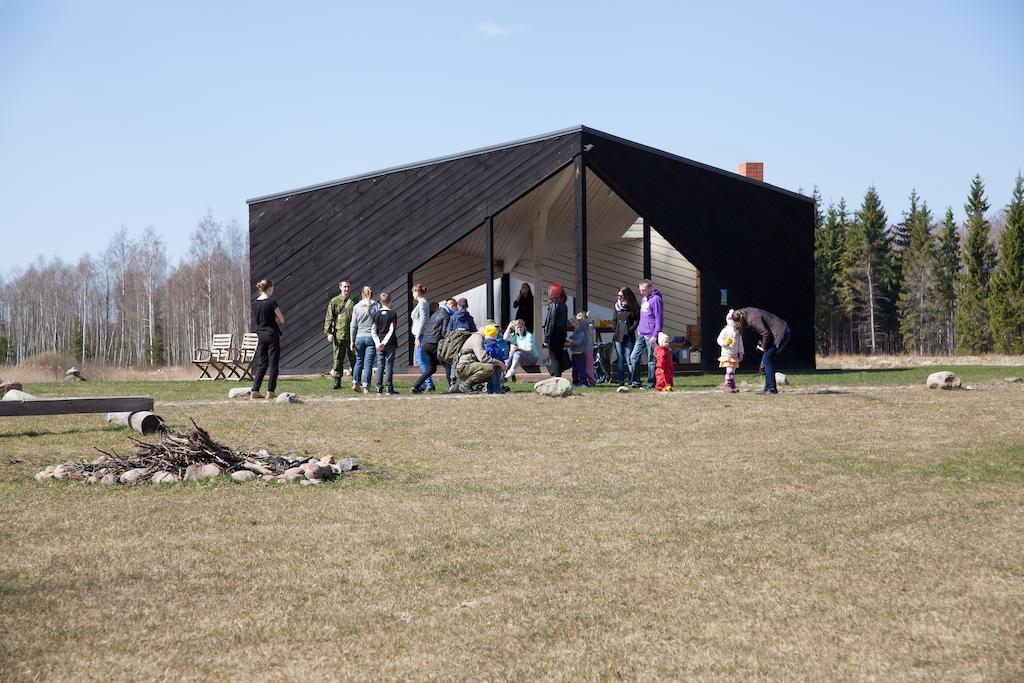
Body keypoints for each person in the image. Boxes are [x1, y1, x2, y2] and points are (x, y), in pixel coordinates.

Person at [736, 307, 790, 395]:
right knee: (767, 359)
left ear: (739, 320)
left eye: (737, 323)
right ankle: (769, 388)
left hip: (780, 333)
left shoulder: (751, 319)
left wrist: (764, 347)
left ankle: (770, 388)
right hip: (781, 331)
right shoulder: (747, 312)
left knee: (767, 359)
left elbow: (765, 333)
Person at [250, 278, 284, 400]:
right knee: (273, 364)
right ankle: (270, 391)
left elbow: (260, 319)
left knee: (262, 364)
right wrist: (274, 321)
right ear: (269, 289)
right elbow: (281, 319)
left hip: (261, 335)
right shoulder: (271, 302)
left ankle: (255, 390)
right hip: (272, 334)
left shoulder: (255, 303)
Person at [411, 298, 454, 393]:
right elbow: (443, 332)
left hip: (425, 343)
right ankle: (452, 387)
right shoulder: (446, 315)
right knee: (447, 362)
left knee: (431, 369)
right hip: (433, 343)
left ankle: (415, 386)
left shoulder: (435, 313)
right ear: (452, 306)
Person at [452, 324, 507, 394]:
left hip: (471, 365)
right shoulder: (477, 338)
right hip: (464, 366)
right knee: (489, 368)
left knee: (493, 367)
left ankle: (492, 389)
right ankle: (466, 385)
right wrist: (500, 363)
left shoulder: (483, 338)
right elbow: (483, 357)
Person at [629, 279, 663, 389]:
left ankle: (651, 382)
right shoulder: (644, 299)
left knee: (651, 360)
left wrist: (655, 335)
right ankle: (635, 381)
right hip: (641, 333)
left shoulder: (656, 299)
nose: (641, 292)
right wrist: (639, 329)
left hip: (651, 335)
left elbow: (659, 318)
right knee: (633, 356)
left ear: (649, 288)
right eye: (640, 290)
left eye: (643, 290)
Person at [323, 279, 355, 390]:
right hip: (339, 334)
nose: (346, 289)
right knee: (338, 359)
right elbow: (329, 317)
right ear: (340, 287)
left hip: (352, 335)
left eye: (348, 287)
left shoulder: (354, 301)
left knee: (354, 358)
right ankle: (337, 382)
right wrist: (328, 332)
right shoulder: (335, 301)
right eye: (345, 286)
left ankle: (356, 381)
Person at [349, 286, 378, 393]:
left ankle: (355, 382)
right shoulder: (376, 306)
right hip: (371, 338)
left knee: (359, 361)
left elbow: (353, 325)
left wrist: (352, 341)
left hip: (359, 338)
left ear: (362, 294)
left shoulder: (356, 307)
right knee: (368, 363)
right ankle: (366, 386)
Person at [371, 292, 399, 395]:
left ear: (380, 302)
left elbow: (373, 330)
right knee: (389, 366)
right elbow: (392, 330)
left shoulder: (376, 314)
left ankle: (378, 388)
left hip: (379, 344)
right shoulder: (393, 314)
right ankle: (389, 388)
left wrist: (378, 343)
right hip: (390, 343)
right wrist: (384, 342)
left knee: (380, 366)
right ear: (390, 301)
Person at [612, 287, 640, 386]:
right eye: (618, 295)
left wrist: (630, 330)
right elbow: (614, 319)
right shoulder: (616, 306)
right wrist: (615, 329)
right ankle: (620, 381)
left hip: (628, 336)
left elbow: (637, 321)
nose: (619, 298)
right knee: (620, 359)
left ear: (626, 296)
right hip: (618, 336)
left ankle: (632, 380)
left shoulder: (633, 306)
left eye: (621, 296)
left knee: (629, 359)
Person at [410, 283, 434, 392]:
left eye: (413, 292)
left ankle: (428, 383)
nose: (413, 294)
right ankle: (426, 383)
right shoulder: (420, 303)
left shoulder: (423, 303)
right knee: (421, 360)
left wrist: (418, 336)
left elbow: (423, 320)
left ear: (417, 292)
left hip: (421, 335)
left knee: (420, 360)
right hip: (419, 335)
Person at [542, 282, 569, 376]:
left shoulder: (554, 305)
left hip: (554, 335)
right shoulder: (564, 305)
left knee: (554, 358)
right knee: (558, 356)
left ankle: (557, 378)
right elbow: (564, 322)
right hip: (561, 335)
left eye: (550, 290)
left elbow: (551, 323)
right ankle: (558, 376)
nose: (549, 291)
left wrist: (546, 338)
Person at [717, 309, 745, 393]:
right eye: (735, 321)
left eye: (738, 322)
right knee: (729, 370)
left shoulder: (738, 332)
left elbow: (740, 343)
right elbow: (719, 340)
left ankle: (732, 385)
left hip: (734, 355)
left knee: (733, 370)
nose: (736, 324)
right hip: (727, 354)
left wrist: (741, 353)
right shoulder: (725, 330)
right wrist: (724, 343)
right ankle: (727, 385)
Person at [569, 311, 596, 387]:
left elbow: (589, 339)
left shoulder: (588, 326)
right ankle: (580, 381)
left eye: (580, 320)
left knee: (588, 365)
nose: (578, 321)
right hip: (581, 350)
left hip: (587, 349)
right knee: (582, 366)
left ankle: (591, 380)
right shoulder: (579, 328)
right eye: (578, 320)